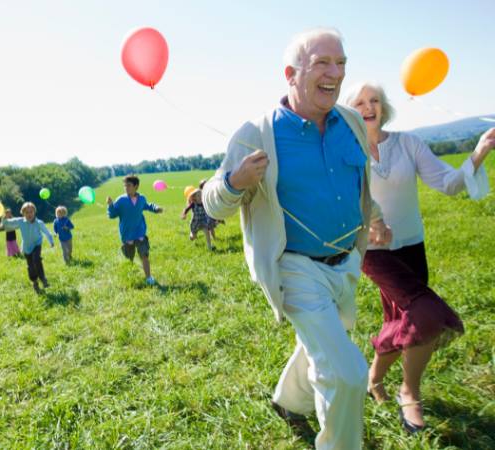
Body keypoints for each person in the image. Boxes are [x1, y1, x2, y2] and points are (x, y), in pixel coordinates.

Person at [203, 28, 391, 450]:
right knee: (346, 372)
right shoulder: (257, 132)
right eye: (322, 63)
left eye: (341, 63)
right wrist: (235, 181)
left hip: (346, 263)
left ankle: (288, 401)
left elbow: (355, 183)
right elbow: (213, 204)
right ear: (291, 73)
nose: (335, 73)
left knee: (326, 342)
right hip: (295, 267)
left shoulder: (351, 123)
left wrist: (374, 218)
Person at [345, 81, 494, 432]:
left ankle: (373, 380)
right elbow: (344, 203)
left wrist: (481, 150)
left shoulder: (408, 143)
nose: (369, 107)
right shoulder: (345, 152)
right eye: (360, 102)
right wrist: (373, 223)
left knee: (400, 321)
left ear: (384, 106)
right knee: (425, 314)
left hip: (412, 247)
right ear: (349, 111)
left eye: (375, 100)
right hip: (374, 252)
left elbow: (449, 182)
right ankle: (409, 392)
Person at [107, 175, 164, 285]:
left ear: (136, 186)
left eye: (128, 185)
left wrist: (156, 208)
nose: (126, 188)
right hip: (127, 234)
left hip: (140, 232)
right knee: (129, 255)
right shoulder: (121, 200)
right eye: (125, 186)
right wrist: (110, 205)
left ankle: (148, 277)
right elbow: (112, 214)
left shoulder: (141, 198)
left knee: (144, 254)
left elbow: (147, 206)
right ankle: (129, 261)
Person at [1, 202, 54, 293]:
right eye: (27, 212)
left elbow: (46, 231)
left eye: (31, 212)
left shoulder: (39, 222)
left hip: (37, 244)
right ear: (23, 213)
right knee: (31, 266)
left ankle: (43, 279)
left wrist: (51, 241)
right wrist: (3, 218)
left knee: (36, 259)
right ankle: (35, 282)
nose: (29, 214)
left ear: (34, 212)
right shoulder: (21, 221)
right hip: (26, 248)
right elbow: (9, 223)